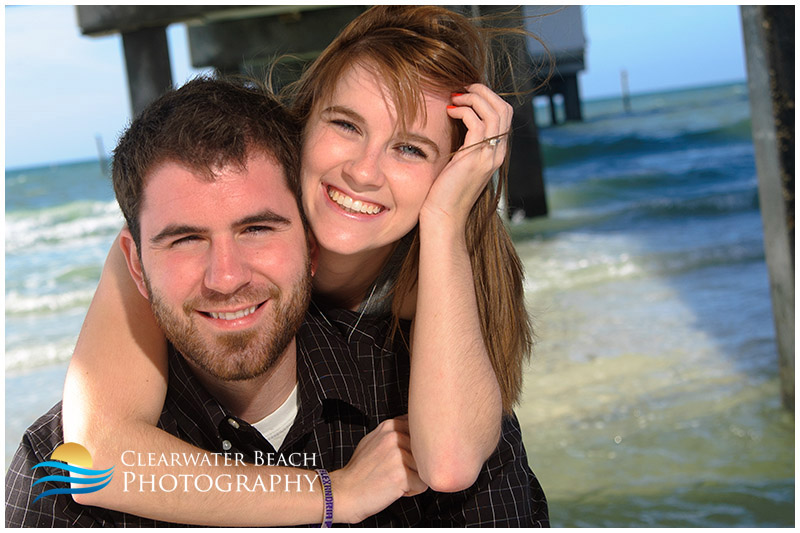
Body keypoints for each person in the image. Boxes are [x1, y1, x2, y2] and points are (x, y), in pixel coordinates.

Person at [55, 4, 544, 525]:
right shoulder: (198, 232)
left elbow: (448, 465)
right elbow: (96, 457)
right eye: (346, 125)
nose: (363, 171)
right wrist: (337, 494)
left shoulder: (437, 275)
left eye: (410, 149)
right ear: (304, 123)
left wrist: (447, 217)